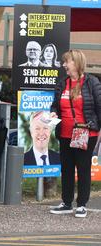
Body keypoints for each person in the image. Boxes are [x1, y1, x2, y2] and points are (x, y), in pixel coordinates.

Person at [49, 50, 100, 218]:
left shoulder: (92, 82)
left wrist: (96, 126)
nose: (64, 65)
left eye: (67, 62)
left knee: (83, 168)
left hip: (86, 133)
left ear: (77, 63)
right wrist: (53, 112)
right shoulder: (62, 83)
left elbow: (99, 107)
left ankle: (82, 204)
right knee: (67, 168)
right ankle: (66, 202)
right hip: (65, 133)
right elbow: (55, 105)